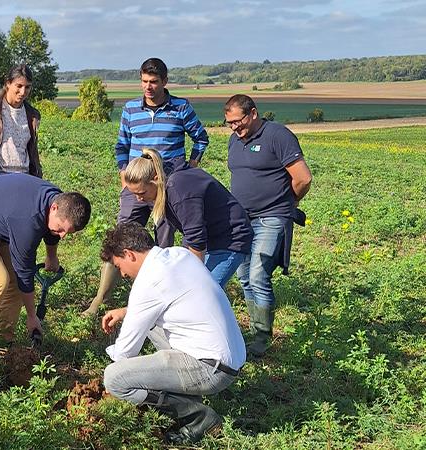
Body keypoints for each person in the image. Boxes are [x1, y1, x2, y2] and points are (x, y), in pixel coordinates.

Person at [84, 57, 209, 316]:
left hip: (167, 187)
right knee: (121, 235)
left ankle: (157, 298)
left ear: (165, 82)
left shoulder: (181, 107)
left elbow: (200, 138)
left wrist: (193, 163)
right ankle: (99, 300)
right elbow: (121, 145)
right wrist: (123, 171)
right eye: (144, 82)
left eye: (153, 82)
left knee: (163, 241)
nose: (148, 87)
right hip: (135, 184)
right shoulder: (131, 109)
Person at [100, 223, 245, 444]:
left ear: (129, 254)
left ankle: (198, 417)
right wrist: (127, 312)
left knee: (115, 379)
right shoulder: (178, 254)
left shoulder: (148, 283)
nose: (122, 274)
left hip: (211, 369)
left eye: (119, 266)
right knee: (149, 322)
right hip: (228, 358)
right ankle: (185, 393)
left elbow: (124, 353)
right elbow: (174, 298)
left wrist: (108, 381)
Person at [0, 174, 91, 345]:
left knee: (14, 285)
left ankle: (2, 340)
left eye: (68, 232)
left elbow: (49, 232)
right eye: (60, 229)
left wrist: (52, 255)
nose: (63, 236)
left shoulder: (60, 201)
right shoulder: (28, 220)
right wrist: (31, 316)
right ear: (54, 208)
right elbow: (24, 271)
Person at [224, 94, 313, 357]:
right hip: (240, 219)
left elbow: (303, 178)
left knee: (258, 274)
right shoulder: (234, 140)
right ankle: (254, 332)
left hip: (271, 217)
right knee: (243, 276)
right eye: (228, 123)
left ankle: (262, 337)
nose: (233, 127)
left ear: (253, 114)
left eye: (237, 121)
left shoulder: (278, 136)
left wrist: (288, 204)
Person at [120, 149, 253, 288]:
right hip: (210, 239)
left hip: (230, 239)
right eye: (134, 194)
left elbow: (196, 238)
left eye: (141, 193)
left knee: (202, 291)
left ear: (156, 179)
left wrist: (193, 277)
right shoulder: (167, 182)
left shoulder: (178, 189)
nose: (139, 199)